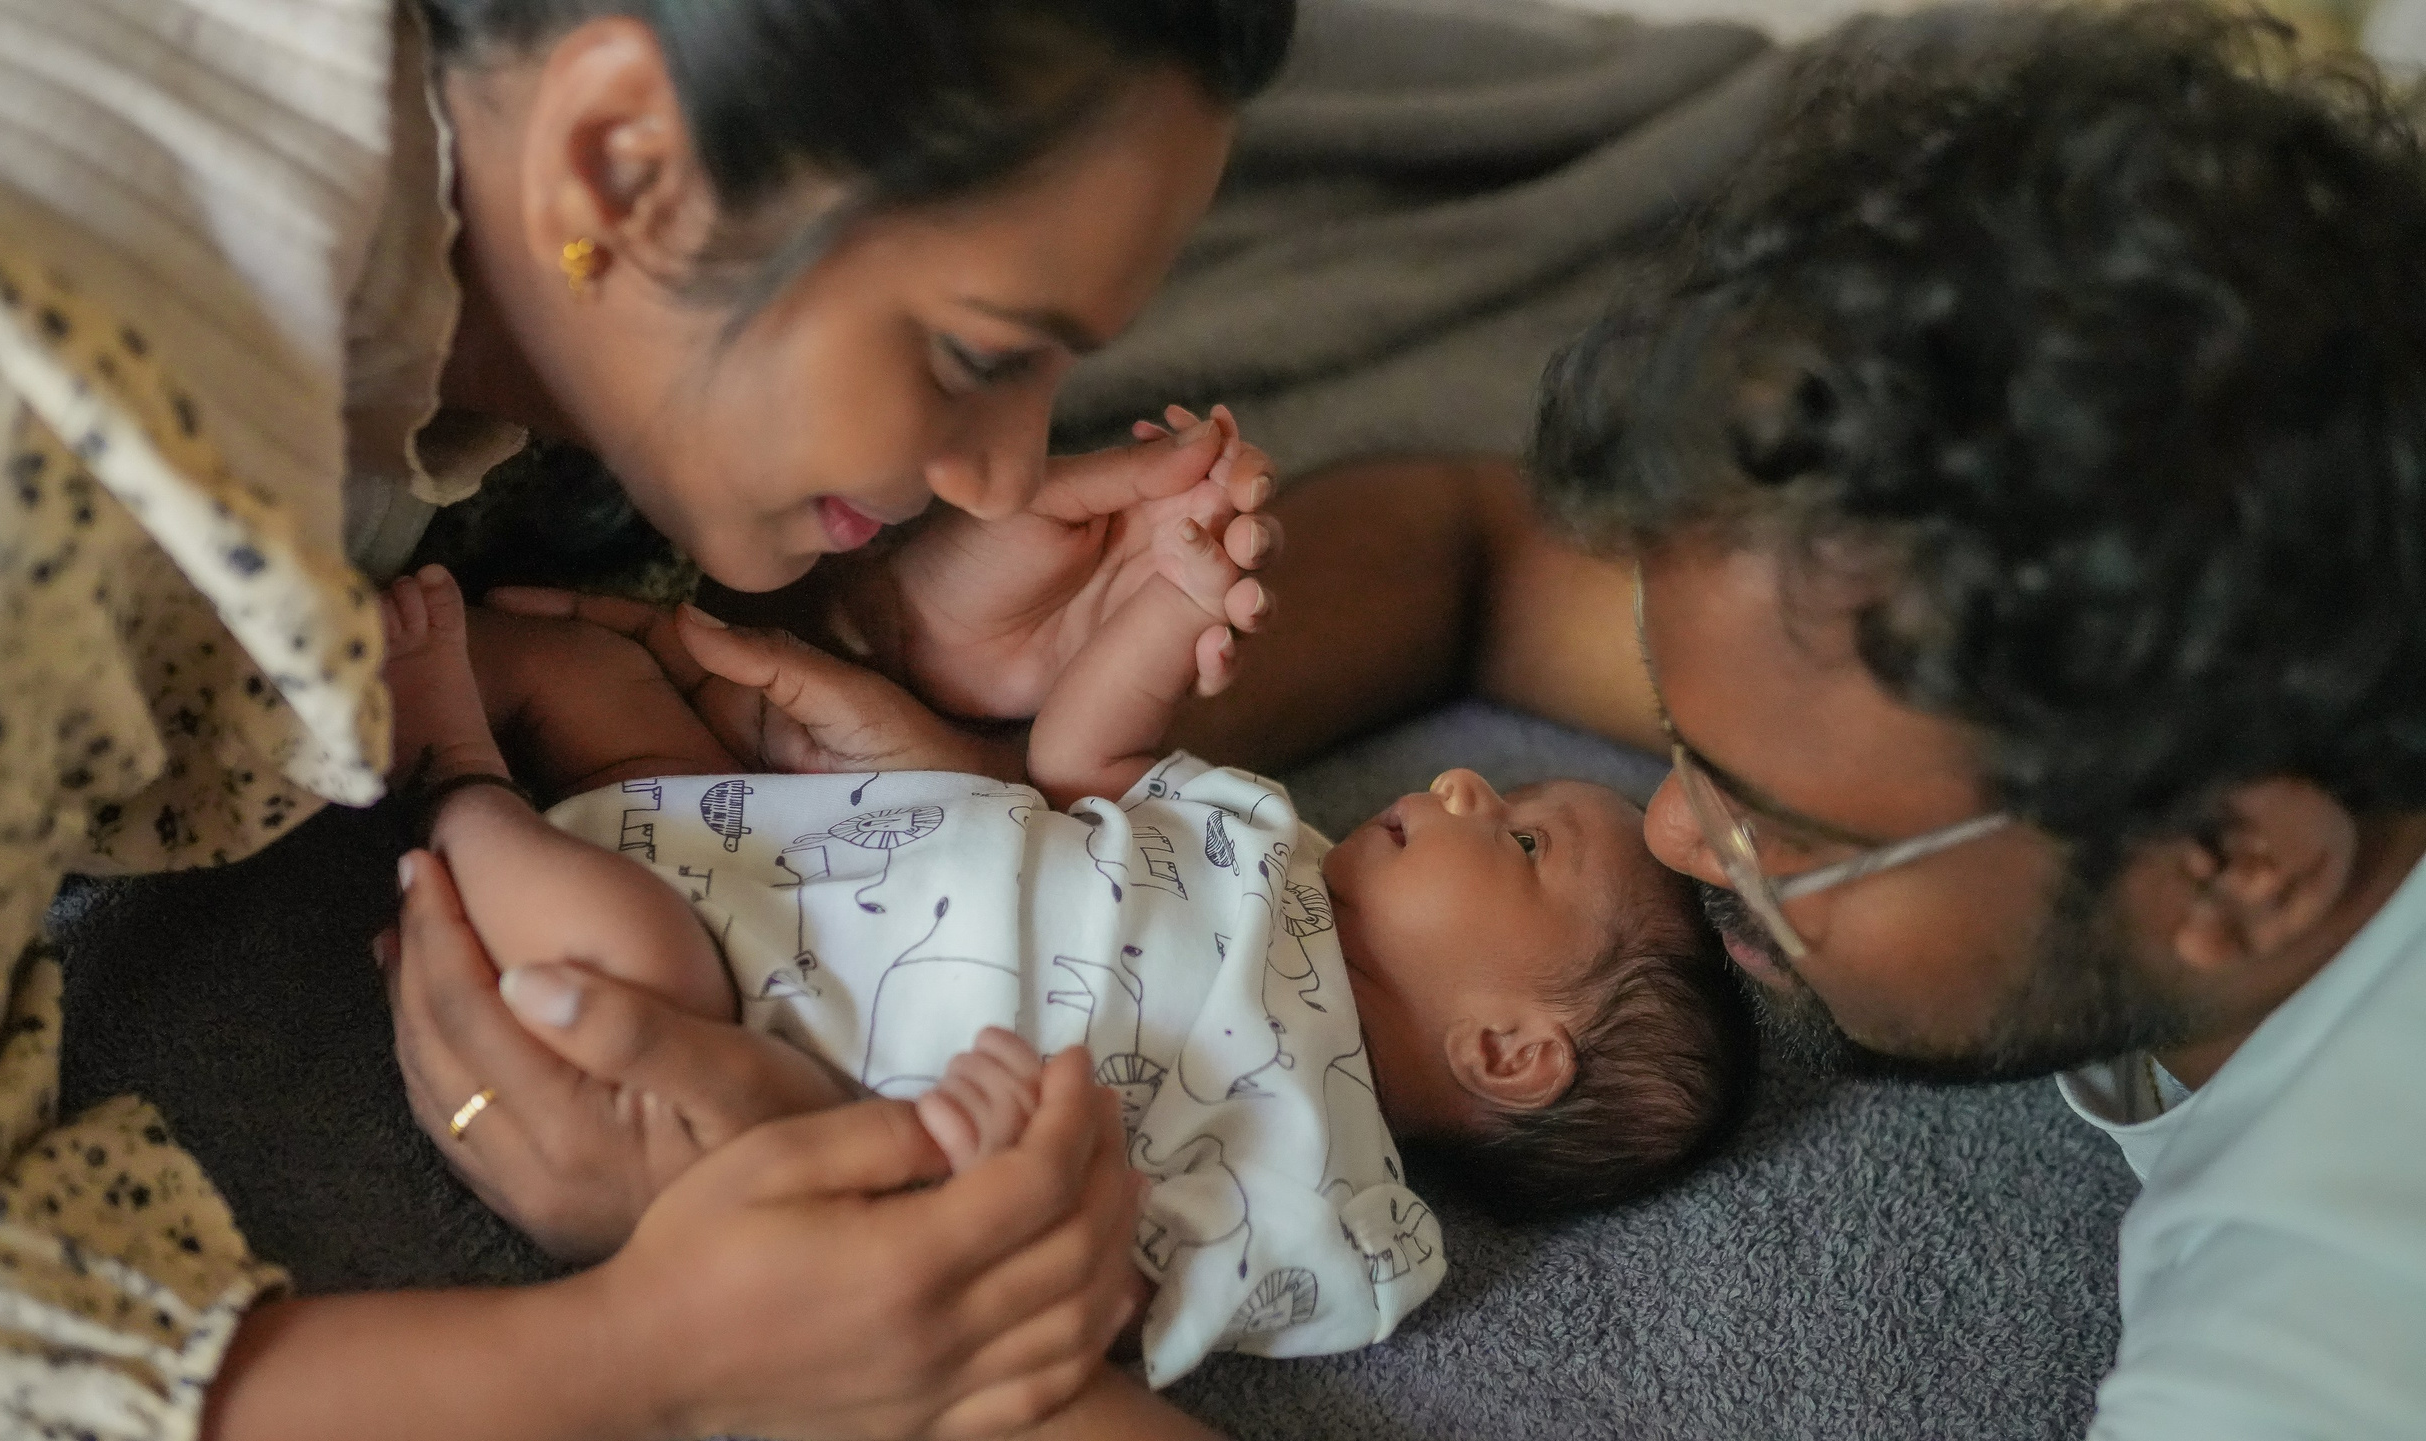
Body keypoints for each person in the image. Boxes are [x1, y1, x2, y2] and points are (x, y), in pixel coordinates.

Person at [0, 1, 1306, 1437]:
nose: (1006, 472)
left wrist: (874, 623)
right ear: (621, 164)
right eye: (979, 353)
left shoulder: (491, 211)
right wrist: (645, 1348)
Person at [1502, 4, 2426, 1436]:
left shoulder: (2338, 1324)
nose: (1673, 827)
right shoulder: (2247, 606)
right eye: (1681, 735)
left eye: (1784, 829)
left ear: (2237, 864)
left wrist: (1030, 1375)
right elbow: (1472, 563)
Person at [369, 457, 1749, 1410]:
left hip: (748, 1014)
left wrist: (995, 1182)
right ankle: (378, 656)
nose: (1464, 782)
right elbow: (1079, 766)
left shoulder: (1328, 1202)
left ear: (1508, 1048)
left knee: (611, 951)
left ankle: (457, 778)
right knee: (585, 672)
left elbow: (1102, 1304)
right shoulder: (1268, 843)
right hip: (779, 831)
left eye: (1518, 838)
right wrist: (1169, 603)